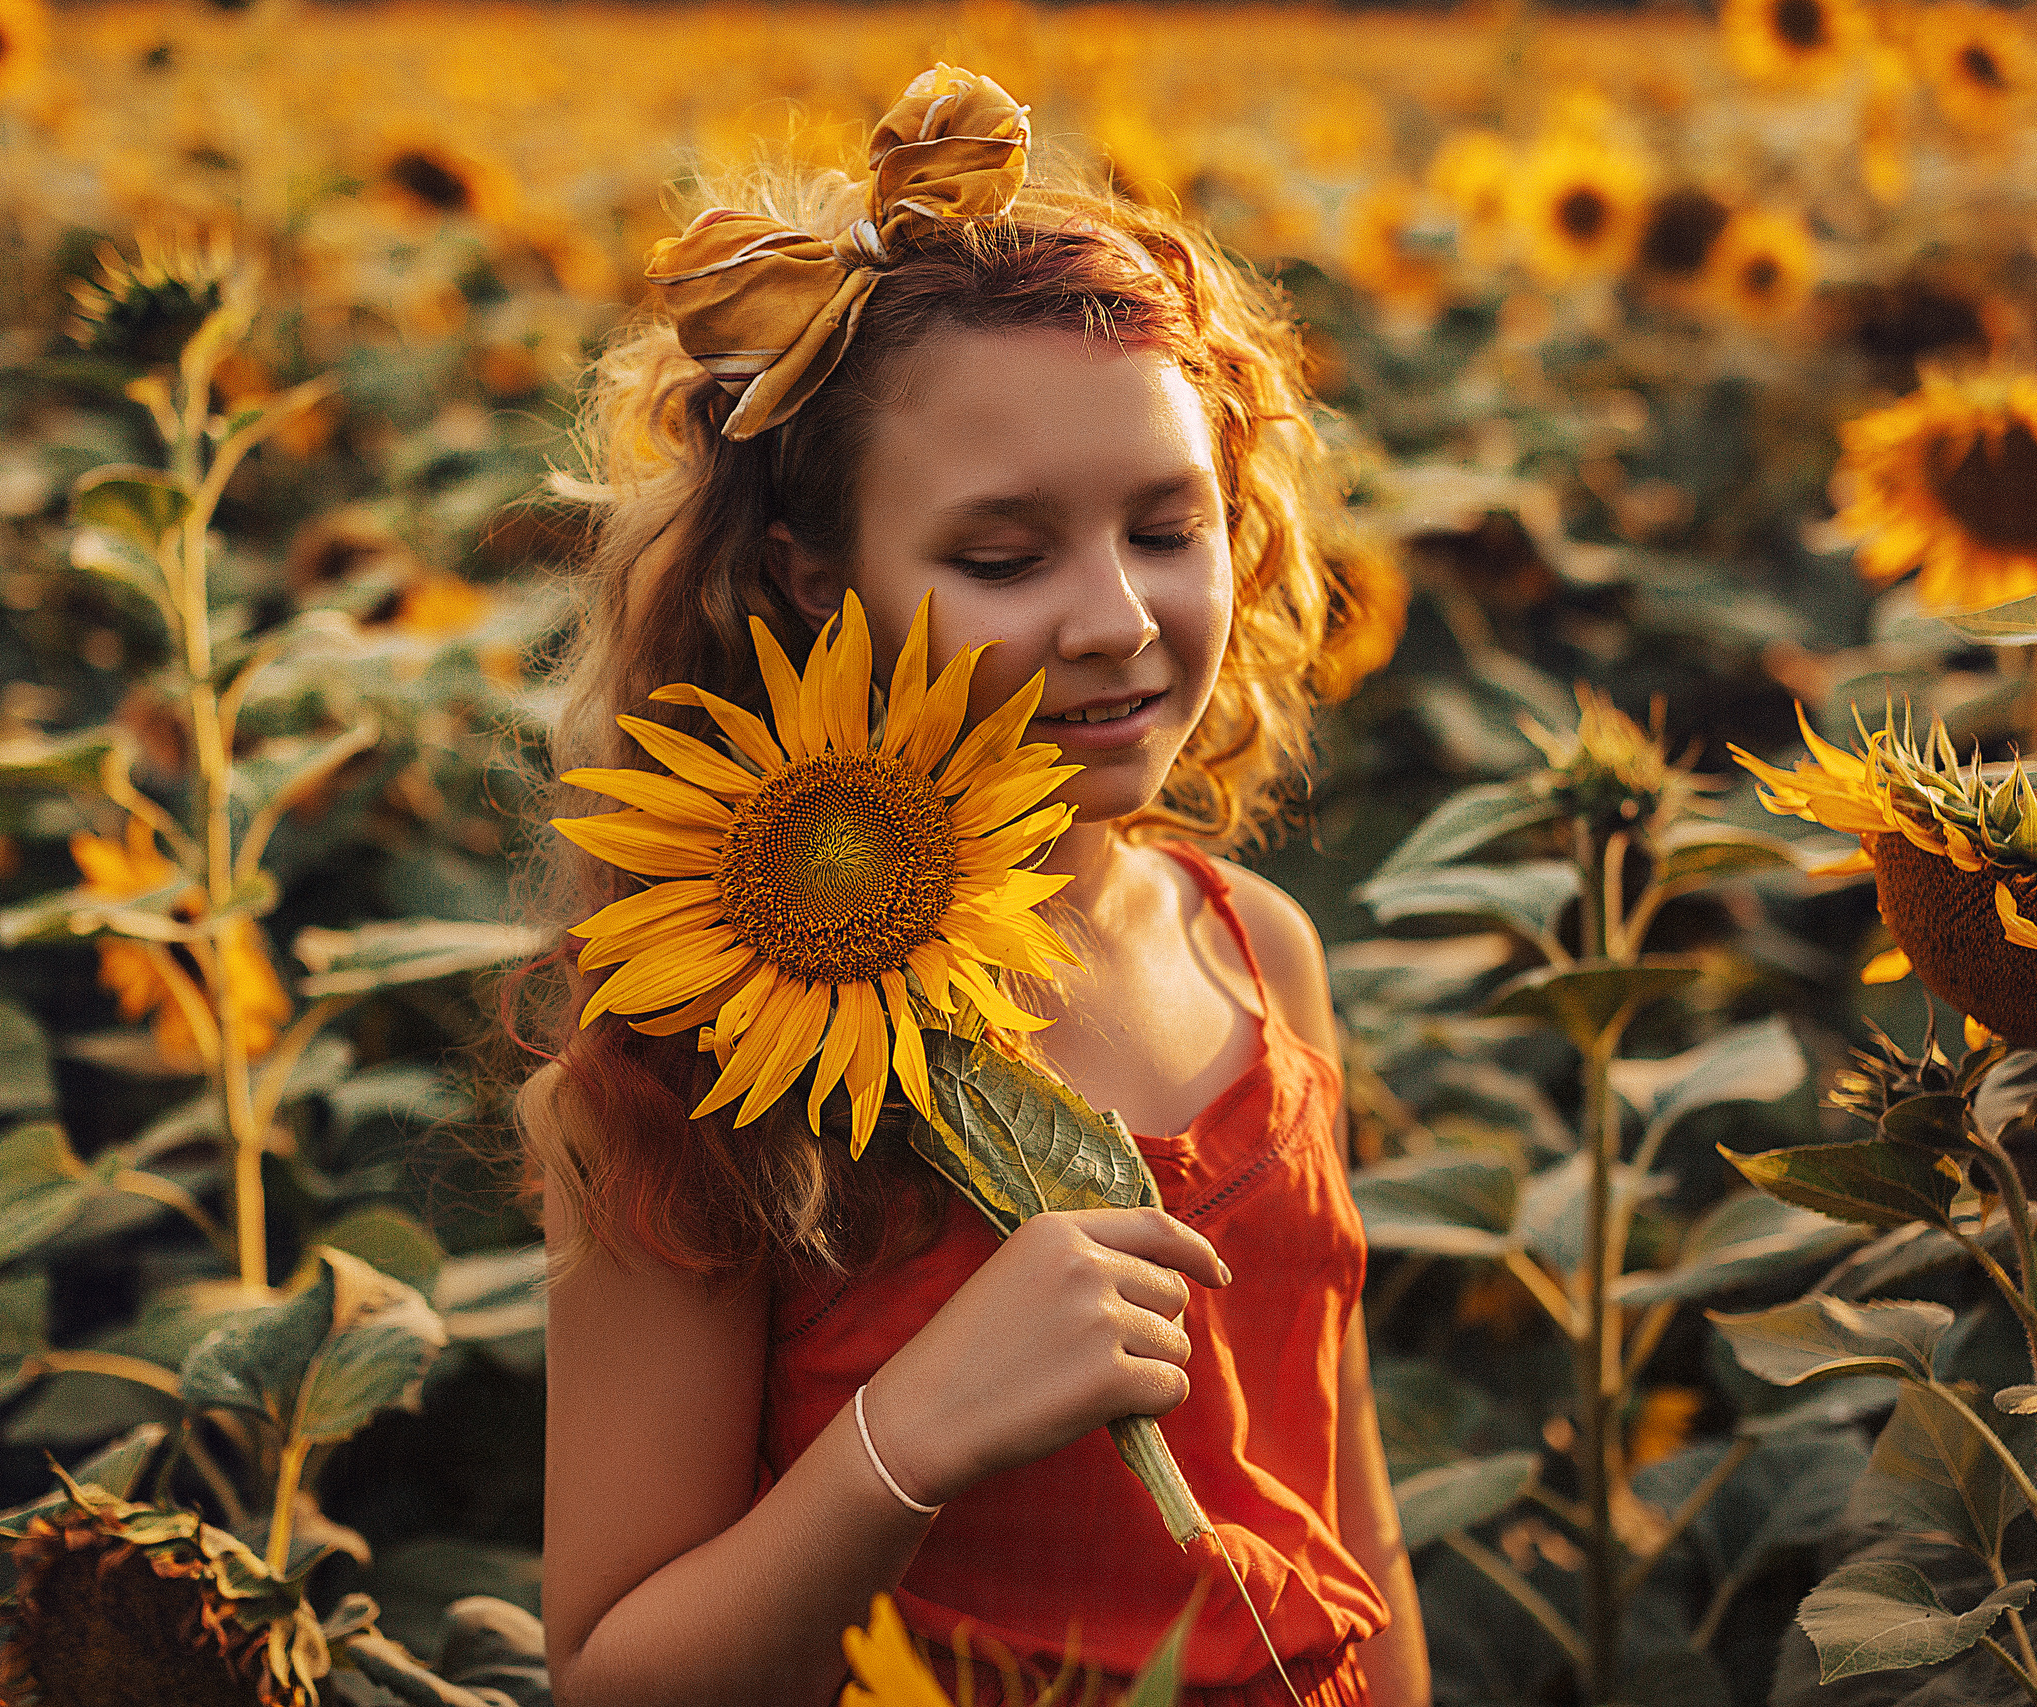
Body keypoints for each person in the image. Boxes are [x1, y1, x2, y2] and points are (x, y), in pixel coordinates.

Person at [515, 63, 1429, 1707]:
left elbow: (1339, 1525)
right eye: (1002, 559)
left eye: (1171, 527)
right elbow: (609, 1674)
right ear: (813, 581)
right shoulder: (699, 1057)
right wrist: (913, 1431)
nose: (1115, 621)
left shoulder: (1257, 958)